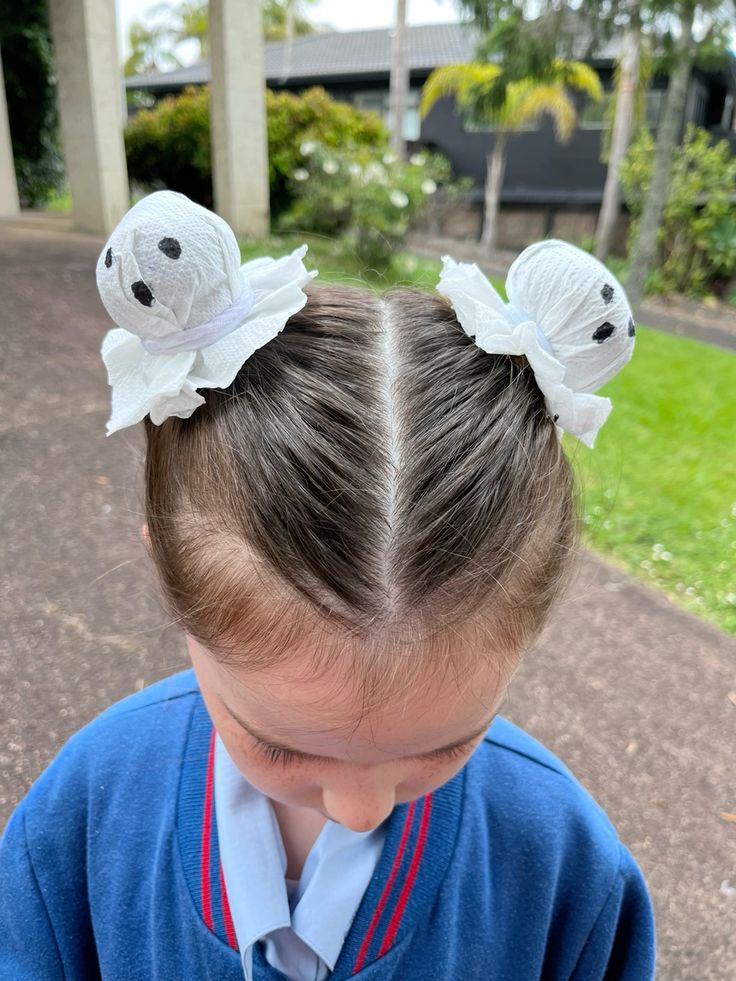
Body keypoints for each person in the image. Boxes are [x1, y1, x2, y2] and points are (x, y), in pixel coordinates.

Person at [0, 191, 655, 980]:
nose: (359, 809)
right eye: (281, 747)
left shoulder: (565, 870)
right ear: (175, 587)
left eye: (443, 746)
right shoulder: (81, 818)